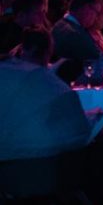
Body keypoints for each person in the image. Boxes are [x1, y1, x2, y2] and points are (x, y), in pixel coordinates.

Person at [0, 27, 91, 161]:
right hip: (28, 156)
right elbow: (75, 131)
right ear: (48, 52)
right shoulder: (44, 81)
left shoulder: (10, 70)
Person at [51, 0, 103, 66]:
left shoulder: (60, 25)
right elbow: (96, 60)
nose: (96, 18)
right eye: (97, 13)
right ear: (86, 9)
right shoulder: (76, 35)